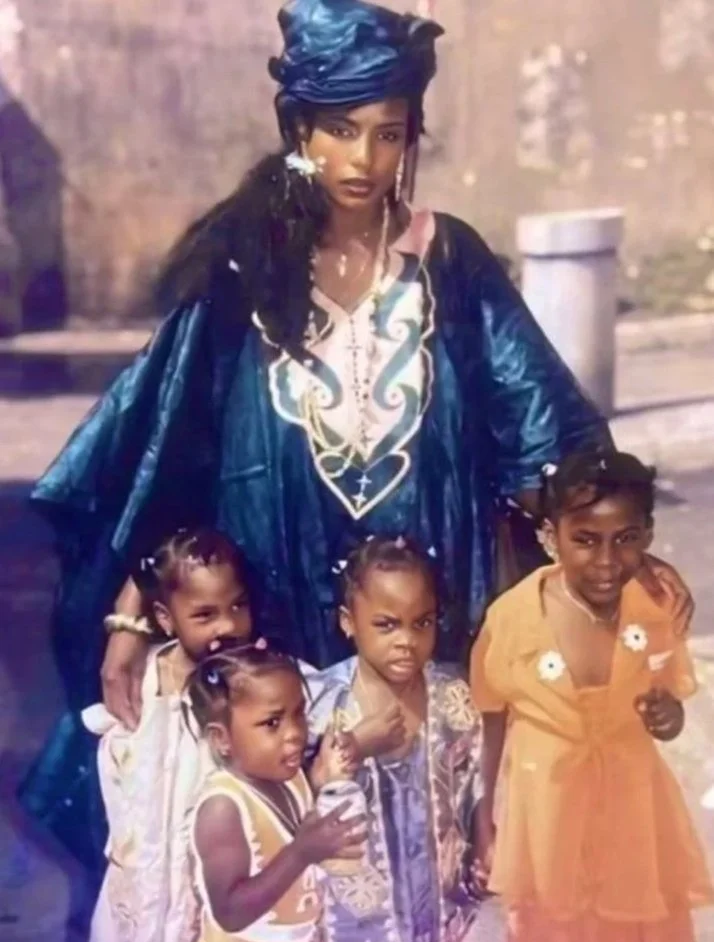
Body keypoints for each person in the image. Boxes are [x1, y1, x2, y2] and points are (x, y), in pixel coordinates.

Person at [21, 0, 689, 874]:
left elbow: (542, 427)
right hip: (276, 610)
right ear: (299, 128)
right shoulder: (243, 268)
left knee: (419, 874)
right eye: (340, 131)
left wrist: (608, 552)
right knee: (300, 866)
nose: (364, 161)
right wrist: (129, 612)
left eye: (388, 134)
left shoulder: (449, 260)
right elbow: (160, 453)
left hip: (421, 623)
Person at [469, 450, 713, 942]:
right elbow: (491, 719)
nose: (606, 561)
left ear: (647, 536)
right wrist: (485, 818)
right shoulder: (513, 619)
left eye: (625, 539)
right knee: (556, 940)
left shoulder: (656, 607)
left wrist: (670, 718)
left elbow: (667, 704)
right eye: (584, 540)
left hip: (634, 821)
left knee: (639, 940)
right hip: (549, 820)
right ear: (548, 537)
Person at [306, 534, 482, 942]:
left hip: (445, 919)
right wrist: (354, 747)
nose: (406, 640)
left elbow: (476, 785)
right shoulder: (320, 704)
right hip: (356, 930)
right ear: (349, 621)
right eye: (386, 625)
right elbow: (294, 802)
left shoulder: (452, 698)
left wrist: (482, 845)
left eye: (421, 623)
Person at [84, 527, 255, 942]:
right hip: (142, 885)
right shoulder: (142, 681)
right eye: (205, 614)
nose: (228, 625)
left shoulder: (260, 683)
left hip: (208, 896)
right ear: (165, 617)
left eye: (238, 606)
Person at [183, 640, 366, 942]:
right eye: (272, 723)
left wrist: (320, 780)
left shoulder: (289, 776)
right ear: (222, 739)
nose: (295, 732)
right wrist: (301, 852)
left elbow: (282, 829)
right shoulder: (223, 808)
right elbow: (230, 911)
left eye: (299, 714)